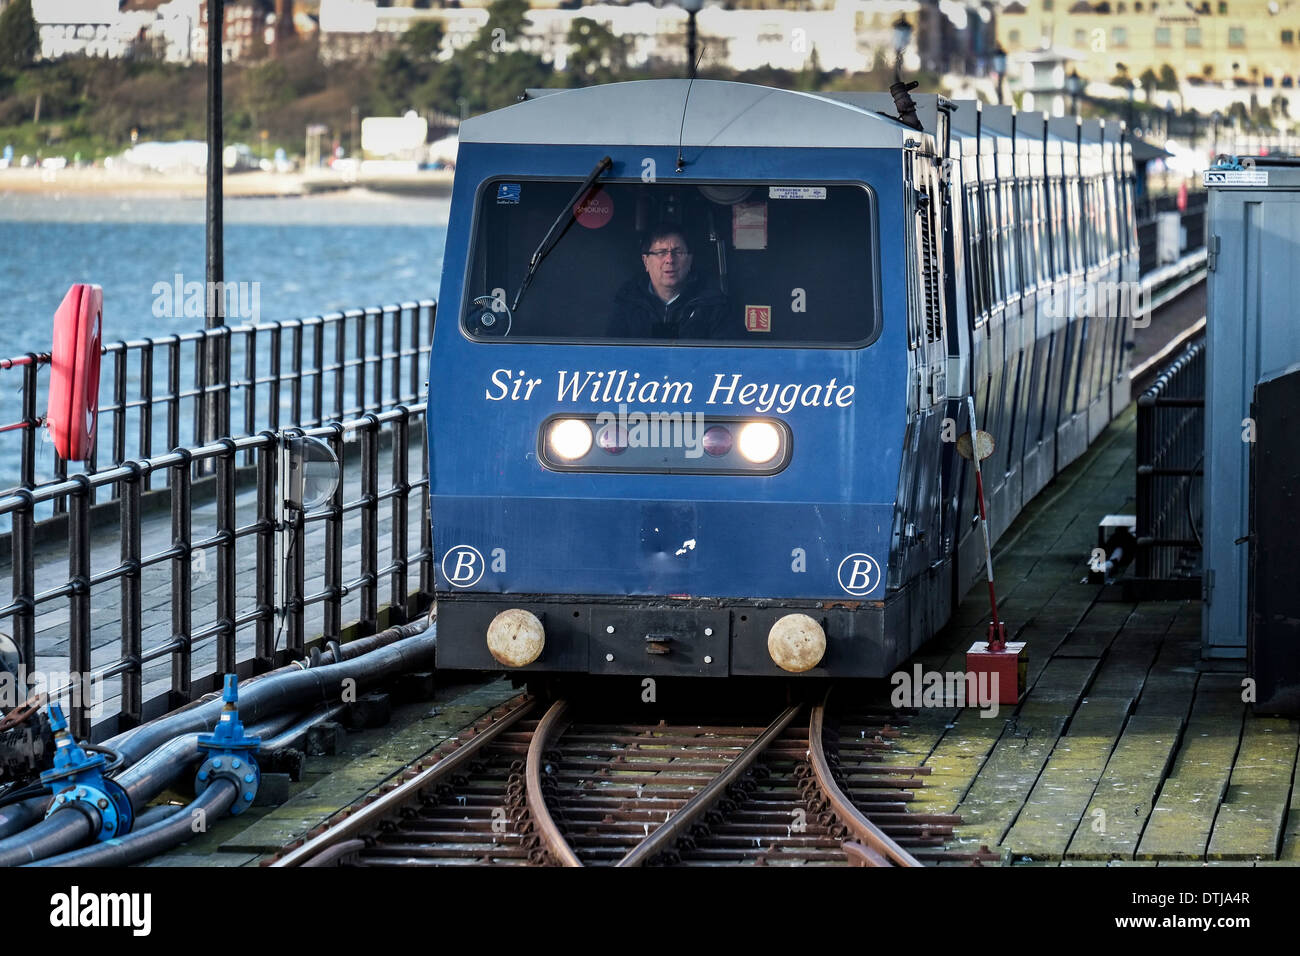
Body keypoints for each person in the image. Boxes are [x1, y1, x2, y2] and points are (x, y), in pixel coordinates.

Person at [608, 225, 730, 339]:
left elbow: (727, 358)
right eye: (661, 253)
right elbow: (610, 356)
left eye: (678, 252)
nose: (670, 260)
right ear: (646, 261)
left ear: (690, 260)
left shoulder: (713, 304)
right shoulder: (628, 302)